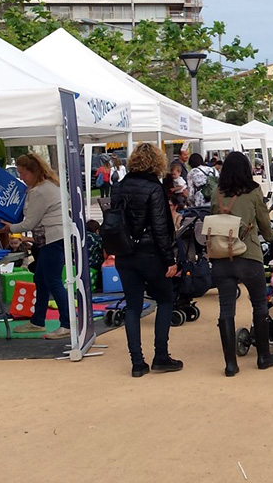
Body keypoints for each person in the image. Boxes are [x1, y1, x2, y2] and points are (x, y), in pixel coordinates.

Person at [111, 143, 181, 377]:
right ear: (157, 163)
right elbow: (161, 228)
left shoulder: (118, 187)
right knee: (164, 300)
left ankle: (137, 362)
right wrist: (170, 259)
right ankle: (161, 355)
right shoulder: (154, 188)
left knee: (132, 306)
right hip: (150, 252)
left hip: (124, 252)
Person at [210, 151, 273, 377]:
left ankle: (230, 364)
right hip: (248, 254)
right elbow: (264, 222)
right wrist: (270, 238)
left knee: (226, 309)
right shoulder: (253, 192)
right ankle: (263, 356)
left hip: (221, 257)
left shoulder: (216, 193)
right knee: (259, 304)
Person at [0, 153, 72, 339]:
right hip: (54, 238)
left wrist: (8, 227)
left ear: (33, 172)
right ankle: (38, 320)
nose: (21, 177)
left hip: (51, 239)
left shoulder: (39, 191)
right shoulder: (50, 185)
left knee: (52, 280)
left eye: (23, 173)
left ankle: (67, 324)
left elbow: (29, 223)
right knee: (42, 279)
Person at [86, 219, 104, 291]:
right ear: (97, 230)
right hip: (93, 265)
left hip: (77, 264)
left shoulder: (78, 237)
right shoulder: (97, 238)